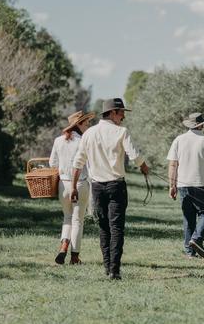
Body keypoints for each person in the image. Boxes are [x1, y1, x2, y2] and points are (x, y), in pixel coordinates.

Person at [70, 98, 149, 280]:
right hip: (116, 186)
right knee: (117, 228)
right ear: (112, 113)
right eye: (121, 113)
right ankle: (114, 269)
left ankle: (107, 266)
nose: (123, 117)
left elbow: (78, 162)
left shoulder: (89, 133)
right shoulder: (121, 132)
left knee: (104, 228)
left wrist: (73, 186)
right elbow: (134, 155)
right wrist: (144, 167)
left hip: (96, 187)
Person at [167, 113, 204, 259]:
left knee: (188, 217)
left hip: (183, 186)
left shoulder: (179, 140)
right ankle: (197, 239)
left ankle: (190, 252)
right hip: (202, 184)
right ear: (201, 124)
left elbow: (173, 164)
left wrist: (172, 185)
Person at [49, 110, 95, 265]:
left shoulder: (58, 141)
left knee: (67, 218)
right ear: (79, 125)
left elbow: (52, 164)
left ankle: (63, 247)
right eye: (86, 123)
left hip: (63, 184)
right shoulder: (84, 141)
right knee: (78, 221)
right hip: (80, 184)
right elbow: (89, 165)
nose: (88, 126)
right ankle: (74, 257)